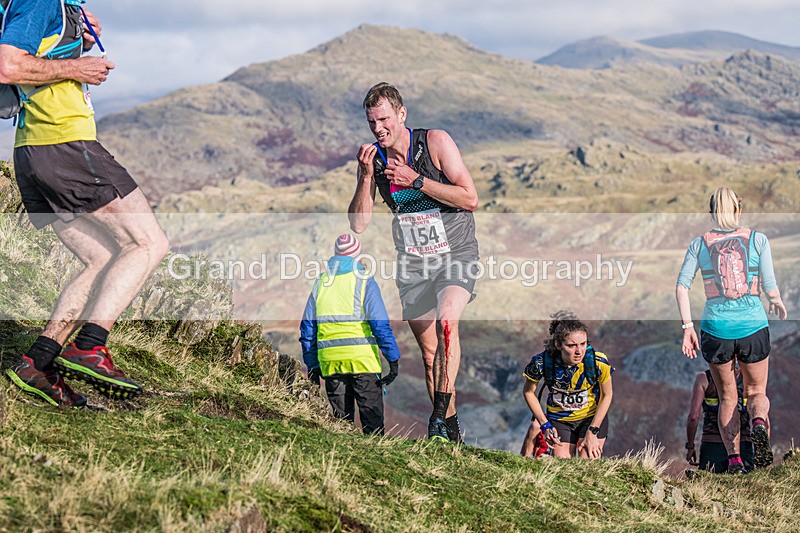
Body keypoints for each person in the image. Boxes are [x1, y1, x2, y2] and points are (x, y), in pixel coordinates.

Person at [1, 0, 169, 406]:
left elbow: (36, 50)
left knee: (103, 258)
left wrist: (74, 37)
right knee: (148, 243)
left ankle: (38, 362)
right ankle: (90, 346)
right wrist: (78, 67)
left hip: (35, 152)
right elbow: (8, 65)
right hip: (63, 145)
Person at [348, 82, 479, 442]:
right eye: (372, 122)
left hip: (455, 253)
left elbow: (470, 198)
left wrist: (417, 181)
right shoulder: (374, 159)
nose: (378, 129)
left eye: (384, 120)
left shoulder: (435, 142)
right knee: (430, 355)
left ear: (402, 114)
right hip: (414, 264)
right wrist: (365, 177)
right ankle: (449, 432)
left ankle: (435, 419)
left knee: (447, 324)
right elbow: (358, 224)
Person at [677, 186, 787, 473]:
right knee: (756, 391)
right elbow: (769, 284)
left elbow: (681, 287)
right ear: (739, 209)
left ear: (711, 212)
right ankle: (758, 422)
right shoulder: (758, 239)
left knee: (727, 396)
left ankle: (735, 460)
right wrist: (775, 301)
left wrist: (688, 327)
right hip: (753, 327)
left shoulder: (699, 244)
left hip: (716, 330)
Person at [299, 234, 401, 435]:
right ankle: (375, 454)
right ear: (357, 256)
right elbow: (379, 325)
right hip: (363, 361)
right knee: (372, 425)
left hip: (331, 362)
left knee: (341, 426)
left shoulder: (321, 282)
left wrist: (312, 364)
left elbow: (308, 327)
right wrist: (393, 358)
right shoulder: (365, 281)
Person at [522, 311, 614, 459]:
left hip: (591, 418)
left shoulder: (598, 362)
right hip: (560, 419)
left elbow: (607, 395)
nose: (579, 351)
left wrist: (593, 431)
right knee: (562, 466)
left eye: (583, 344)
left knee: (587, 463)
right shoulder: (541, 363)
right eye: (571, 345)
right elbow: (528, 392)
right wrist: (544, 425)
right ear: (558, 345)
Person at [685, 367, 755, 473]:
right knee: (744, 482)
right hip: (742, 445)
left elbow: (693, 417)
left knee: (710, 482)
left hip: (712, 446)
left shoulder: (704, 378)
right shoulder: (748, 379)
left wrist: (690, 447)